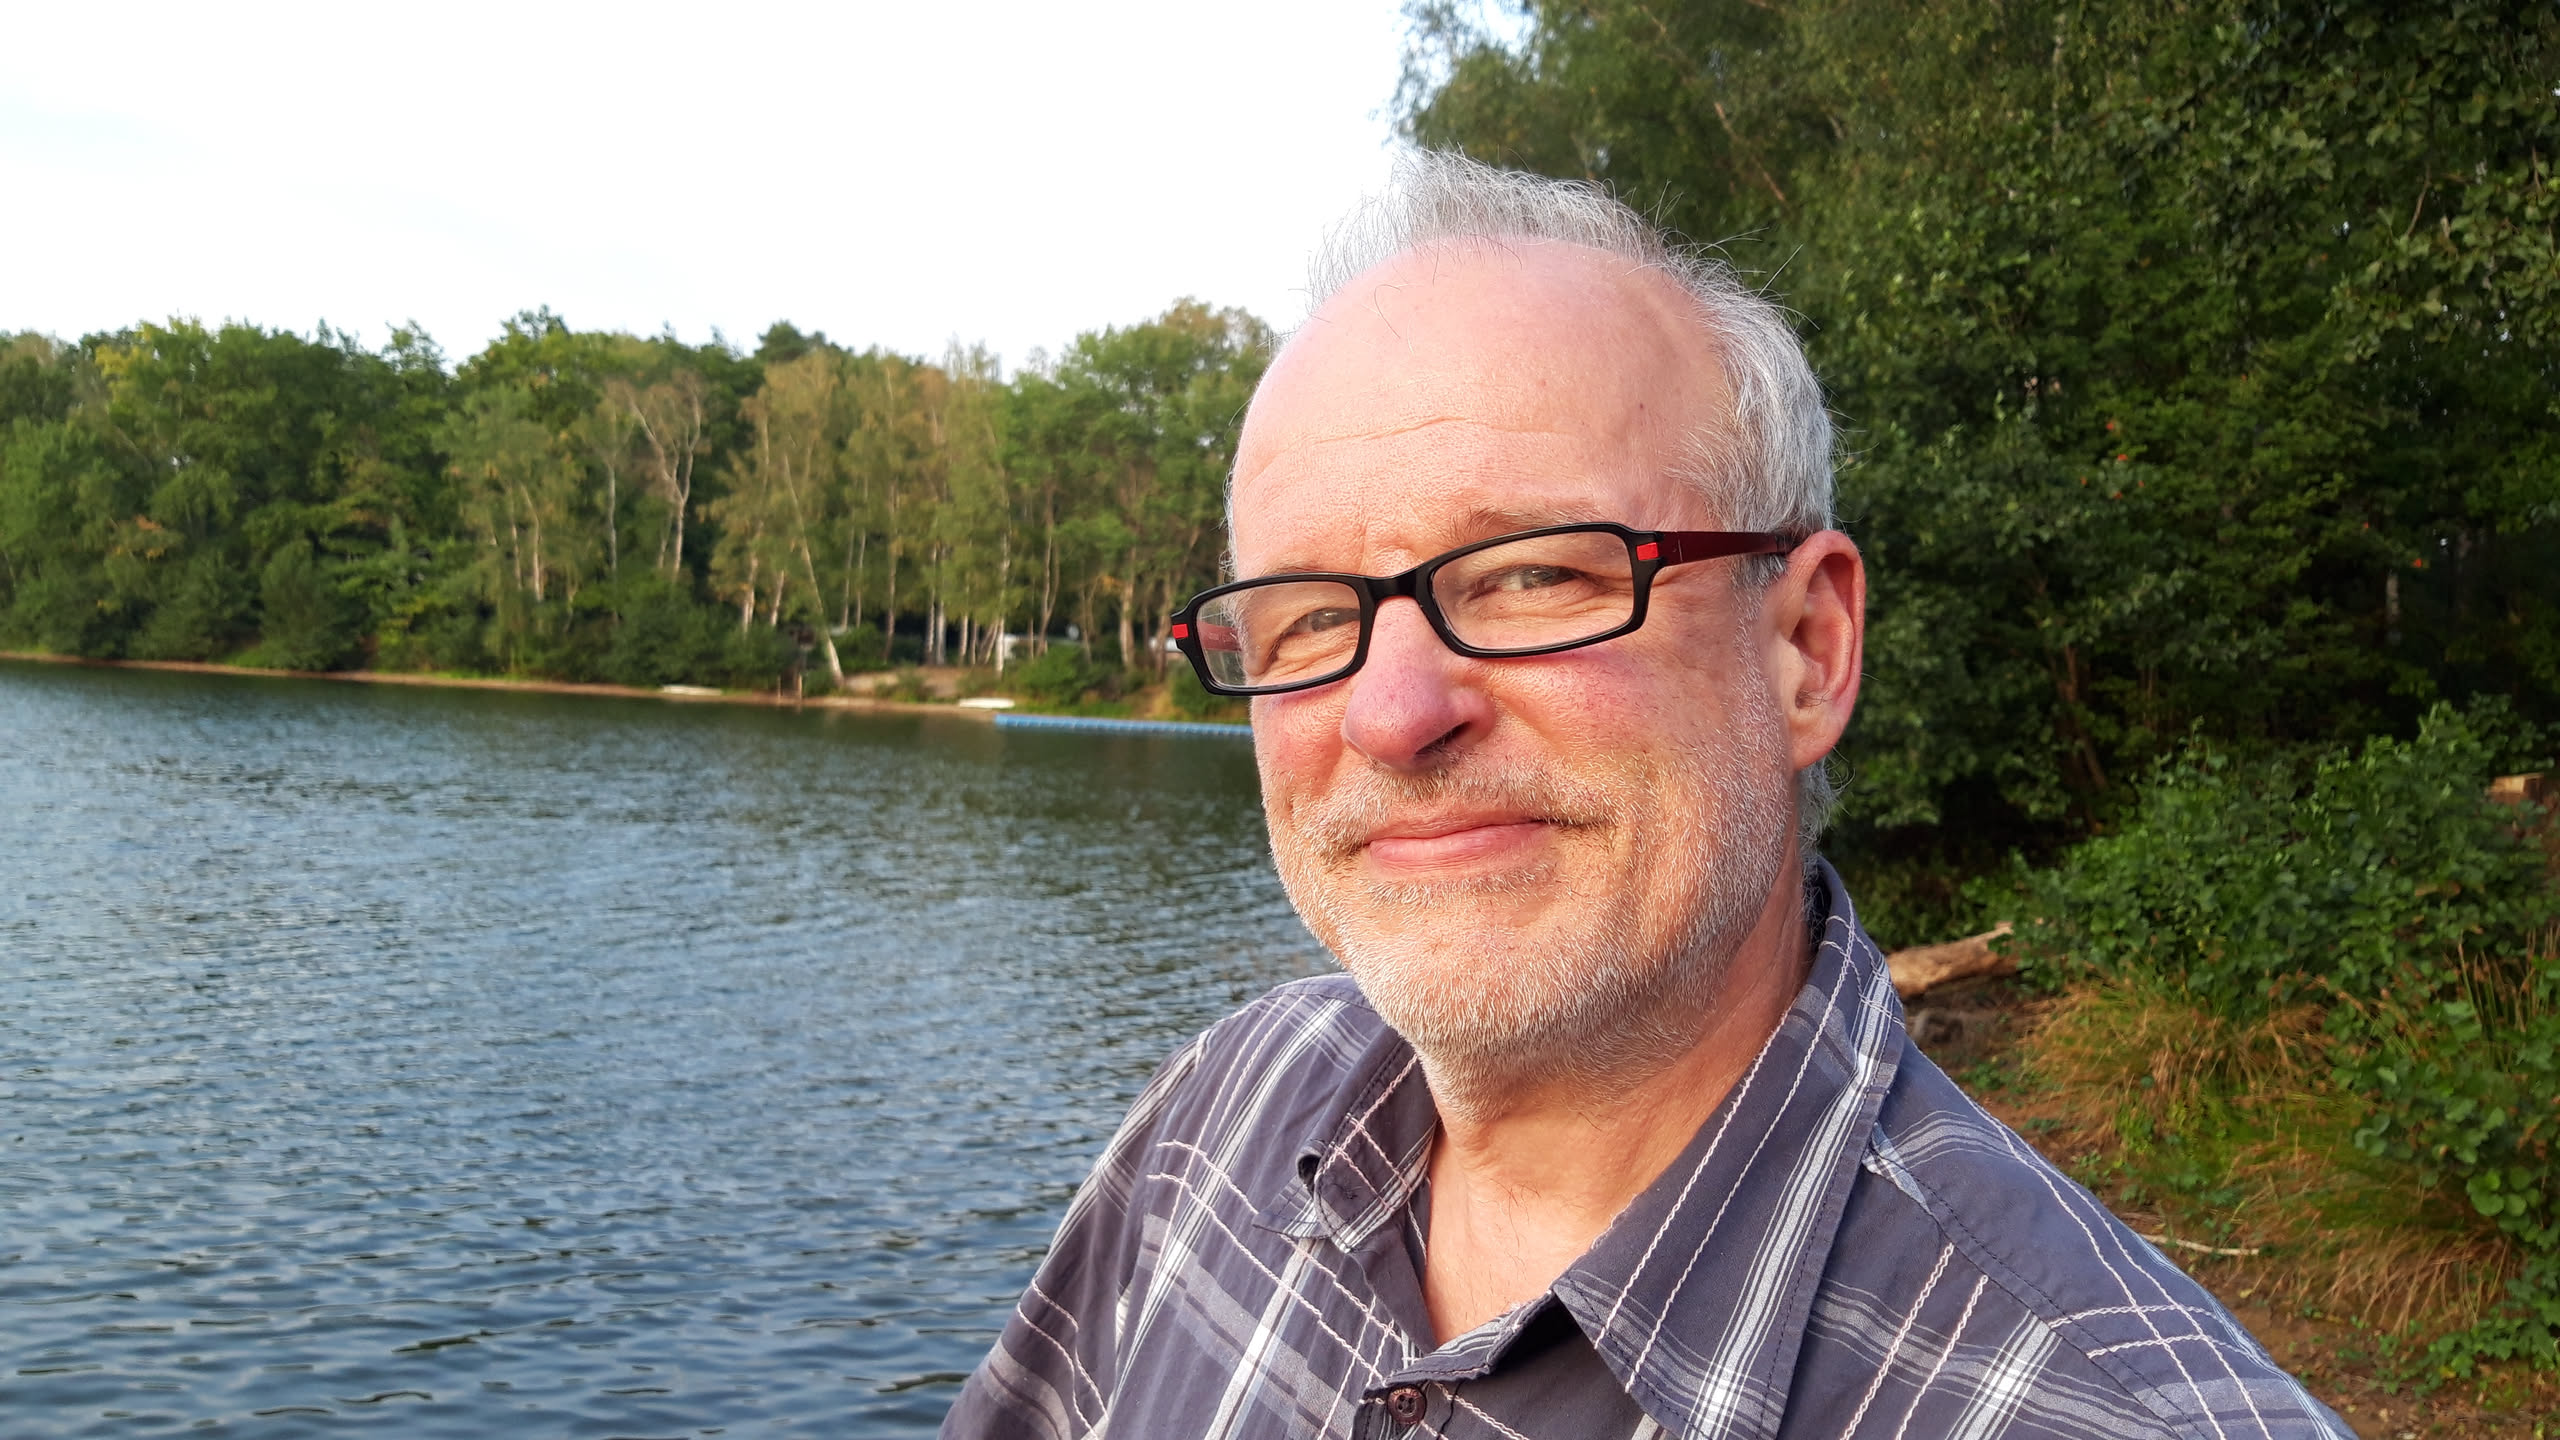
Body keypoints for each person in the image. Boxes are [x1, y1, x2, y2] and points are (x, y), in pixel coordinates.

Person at [943, 154, 2347, 1440]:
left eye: (1533, 574)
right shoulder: (1218, 1117)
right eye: (1309, 615)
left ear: (1806, 652)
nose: (1391, 713)